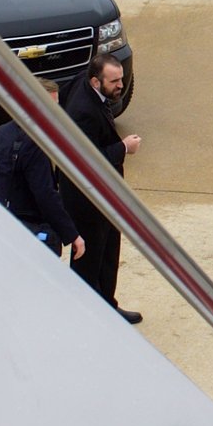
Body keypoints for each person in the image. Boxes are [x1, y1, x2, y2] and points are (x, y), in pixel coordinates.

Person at [58, 50, 144, 324]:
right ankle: (88, 314)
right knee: (90, 257)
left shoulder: (81, 82)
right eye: (114, 81)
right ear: (96, 82)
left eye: (121, 78)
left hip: (104, 195)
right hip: (87, 198)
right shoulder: (84, 112)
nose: (120, 85)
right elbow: (87, 161)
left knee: (107, 251)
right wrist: (123, 147)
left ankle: (107, 305)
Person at [0, 83, 87, 260]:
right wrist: (71, 235)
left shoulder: (1, 133)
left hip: (6, 226)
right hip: (32, 233)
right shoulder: (34, 143)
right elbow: (45, 194)